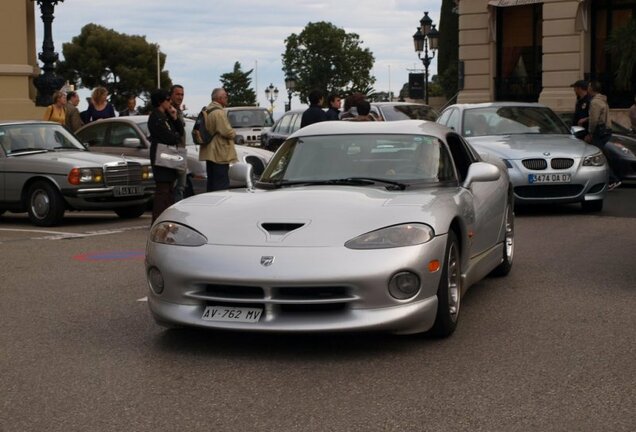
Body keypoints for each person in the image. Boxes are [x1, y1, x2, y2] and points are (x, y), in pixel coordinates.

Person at [147, 88, 184, 223]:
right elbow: (169, 137)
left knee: (169, 189)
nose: (170, 103)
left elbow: (180, 132)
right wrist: (174, 136)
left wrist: (175, 117)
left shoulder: (167, 116)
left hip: (169, 154)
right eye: (168, 100)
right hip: (161, 155)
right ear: (160, 101)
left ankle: (167, 220)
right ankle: (157, 220)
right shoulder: (155, 117)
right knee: (162, 190)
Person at [199, 88, 237, 192]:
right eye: (225, 97)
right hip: (219, 153)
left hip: (209, 152)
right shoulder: (219, 113)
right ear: (219, 98)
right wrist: (234, 133)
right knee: (221, 185)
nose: (227, 99)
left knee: (211, 183)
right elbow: (227, 131)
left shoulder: (207, 110)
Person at [585, 81, 621, 190]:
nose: (588, 88)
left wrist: (590, 132)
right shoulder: (603, 100)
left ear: (592, 89)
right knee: (604, 154)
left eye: (589, 87)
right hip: (606, 129)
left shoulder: (595, 102)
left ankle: (612, 179)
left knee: (598, 155)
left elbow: (594, 119)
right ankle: (612, 178)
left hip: (599, 130)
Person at [169, 84, 188, 201]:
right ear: (171, 95)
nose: (180, 97)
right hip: (172, 152)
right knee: (175, 187)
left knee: (180, 186)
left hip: (181, 151)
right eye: (177, 94)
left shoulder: (179, 111)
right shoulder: (170, 111)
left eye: (182, 94)